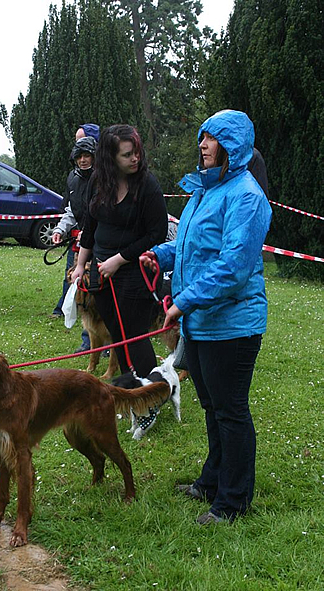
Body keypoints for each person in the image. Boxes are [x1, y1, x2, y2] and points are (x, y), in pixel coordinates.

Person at [141, 109, 272, 524]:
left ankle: (233, 502)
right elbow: (189, 245)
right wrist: (156, 255)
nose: (202, 145)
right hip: (201, 322)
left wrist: (183, 302)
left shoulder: (247, 197)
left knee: (230, 411)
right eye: (202, 137)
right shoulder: (205, 190)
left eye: (211, 139)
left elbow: (233, 267)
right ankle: (211, 482)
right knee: (213, 407)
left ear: (232, 147)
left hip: (232, 325)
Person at [72, 124, 167, 377]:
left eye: (136, 152)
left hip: (135, 271)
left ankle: (149, 394)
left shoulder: (148, 185)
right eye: (127, 154)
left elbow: (156, 233)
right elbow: (90, 226)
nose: (135, 158)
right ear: (110, 158)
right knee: (115, 332)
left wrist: (119, 260)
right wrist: (81, 265)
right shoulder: (97, 181)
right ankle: (130, 386)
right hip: (101, 272)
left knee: (133, 335)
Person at [51, 136, 97, 352]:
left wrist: (89, 233)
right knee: (80, 290)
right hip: (81, 244)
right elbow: (72, 210)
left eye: (87, 155)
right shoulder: (73, 179)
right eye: (79, 156)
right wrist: (61, 229)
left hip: (103, 244)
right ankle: (88, 341)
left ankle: (107, 343)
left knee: (100, 294)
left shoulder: (103, 178)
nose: (83, 160)